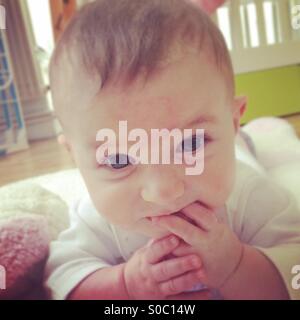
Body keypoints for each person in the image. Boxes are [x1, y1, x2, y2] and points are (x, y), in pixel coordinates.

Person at [44, 0, 300, 300]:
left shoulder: (251, 197)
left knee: (250, 144)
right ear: (75, 157)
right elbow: (62, 280)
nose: (164, 191)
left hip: (238, 151)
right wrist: (125, 285)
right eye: (118, 160)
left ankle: (246, 136)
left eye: (191, 144)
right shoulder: (94, 219)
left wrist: (238, 265)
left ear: (232, 121)